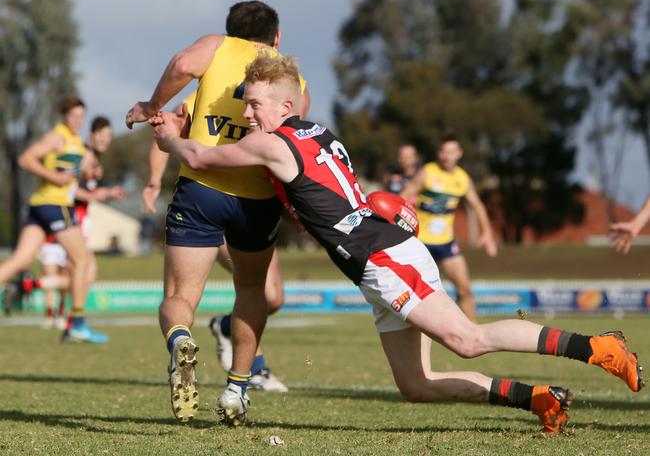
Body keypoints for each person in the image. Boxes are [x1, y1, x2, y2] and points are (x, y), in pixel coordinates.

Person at [151, 53, 644, 431]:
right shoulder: (316, 132)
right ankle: (539, 398)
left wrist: (171, 137)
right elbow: (327, 195)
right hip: (378, 257)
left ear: (285, 105)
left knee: (466, 341)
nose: (248, 112)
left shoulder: (273, 142)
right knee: (416, 386)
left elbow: (203, 156)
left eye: (254, 103)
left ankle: (598, 347)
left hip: (382, 257)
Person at [126, 1, 309, 422]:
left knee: (179, 298)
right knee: (251, 292)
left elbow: (182, 66)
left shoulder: (217, 49)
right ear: (276, 37)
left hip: (201, 191)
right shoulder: (293, 79)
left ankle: (180, 341)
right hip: (257, 201)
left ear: (230, 32)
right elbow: (291, 149)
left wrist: (152, 106)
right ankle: (237, 389)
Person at [142, 92, 289, 392]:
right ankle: (252, 372)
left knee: (271, 296)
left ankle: (224, 328)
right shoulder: (208, 89)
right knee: (240, 290)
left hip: (254, 207)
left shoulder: (281, 88)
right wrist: (155, 179)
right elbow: (166, 128)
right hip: (207, 206)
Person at [0, 96, 107, 342]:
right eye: (74, 116)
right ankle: (77, 322)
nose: (78, 120)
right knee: (82, 261)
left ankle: (75, 321)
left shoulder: (75, 144)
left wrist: (96, 188)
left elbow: (72, 178)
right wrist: (53, 177)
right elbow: (25, 159)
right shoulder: (57, 137)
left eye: (82, 116)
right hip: (53, 206)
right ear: (64, 116)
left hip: (41, 206)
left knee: (20, 260)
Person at [27, 116, 126, 337]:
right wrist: (94, 194)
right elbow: (70, 187)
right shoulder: (84, 153)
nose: (105, 140)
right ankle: (34, 290)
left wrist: (104, 192)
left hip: (78, 219)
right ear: (91, 134)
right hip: (71, 218)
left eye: (108, 137)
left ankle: (72, 320)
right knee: (84, 271)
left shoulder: (95, 159)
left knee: (83, 273)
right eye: (102, 136)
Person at [400, 135, 497, 322]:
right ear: (439, 153)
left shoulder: (462, 178)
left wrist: (487, 233)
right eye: (443, 151)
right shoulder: (427, 172)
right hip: (420, 242)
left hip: (446, 244)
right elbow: (402, 198)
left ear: (459, 154)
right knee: (416, 295)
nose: (447, 156)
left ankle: (473, 334)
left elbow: (477, 205)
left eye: (451, 152)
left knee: (465, 289)